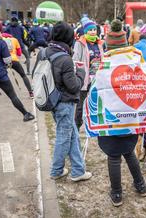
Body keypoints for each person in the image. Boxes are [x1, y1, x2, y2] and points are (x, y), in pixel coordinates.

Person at [97, 19, 146, 207]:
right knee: (128, 151)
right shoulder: (136, 60)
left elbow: (97, 91)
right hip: (131, 117)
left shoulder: (103, 64)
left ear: (108, 44)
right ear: (125, 42)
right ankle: (141, 186)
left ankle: (117, 194)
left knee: (113, 157)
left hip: (111, 118)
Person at [33, 21, 92, 182]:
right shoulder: (65, 58)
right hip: (64, 103)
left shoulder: (44, 52)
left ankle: (78, 170)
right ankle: (56, 170)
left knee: (71, 134)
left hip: (51, 99)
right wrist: (80, 72)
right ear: (68, 37)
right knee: (64, 137)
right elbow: (74, 87)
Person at [72, 20, 104, 130]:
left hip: (97, 78)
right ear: (86, 31)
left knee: (96, 102)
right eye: (90, 30)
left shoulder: (99, 43)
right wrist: (79, 74)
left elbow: (103, 59)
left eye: (94, 29)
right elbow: (75, 60)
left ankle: (94, 125)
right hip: (85, 78)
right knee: (81, 104)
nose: (92, 32)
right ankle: (76, 126)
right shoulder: (80, 43)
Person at [2, 33, 34, 98]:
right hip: (14, 60)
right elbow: (19, 53)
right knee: (23, 75)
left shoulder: (1, 40)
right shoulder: (14, 39)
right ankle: (31, 93)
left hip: (4, 61)